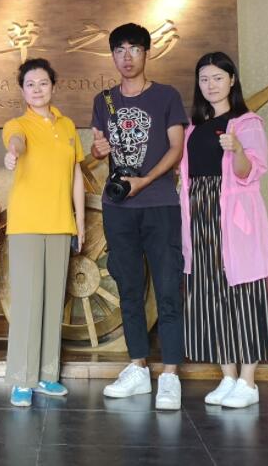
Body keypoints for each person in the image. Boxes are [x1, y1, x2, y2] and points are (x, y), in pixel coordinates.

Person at [89, 23, 187, 410]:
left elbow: (176, 148)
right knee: (128, 289)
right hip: (119, 208)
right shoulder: (104, 100)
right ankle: (138, 368)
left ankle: (171, 375)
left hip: (160, 204)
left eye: (134, 49)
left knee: (167, 288)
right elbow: (100, 149)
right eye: (119, 50)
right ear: (112, 56)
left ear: (147, 53)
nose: (126, 57)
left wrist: (144, 181)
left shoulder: (166, 96)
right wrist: (98, 150)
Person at [180, 51, 268, 409]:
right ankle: (228, 376)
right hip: (200, 213)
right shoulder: (193, 128)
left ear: (232, 80)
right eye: (204, 79)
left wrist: (237, 150)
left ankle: (248, 382)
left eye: (218, 78)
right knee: (210, 292)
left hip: (233, 218)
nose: (211, 85)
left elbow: (250, 172)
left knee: (244, 293)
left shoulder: (246, 123)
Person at [2, 58, 86, 407]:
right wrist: (12, 153)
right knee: (27, 302)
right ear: (22, 91)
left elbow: (76, 175)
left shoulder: (67, 126)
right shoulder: (17, 124)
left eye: (43, 83)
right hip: (27, 225)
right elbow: (16, 142)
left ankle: (47, 375)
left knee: (53, 303)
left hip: (61, 223)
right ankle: (22, 379)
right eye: (30, 84)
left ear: (53, 85)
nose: (37, 89)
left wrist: (80, 222)